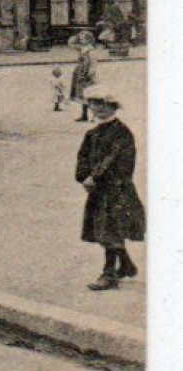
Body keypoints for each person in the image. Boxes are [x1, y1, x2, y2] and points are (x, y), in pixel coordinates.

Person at [76, 87, 145, 291]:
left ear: (111, 106)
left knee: (110, 229)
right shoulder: (93, 133)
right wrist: (84, 177)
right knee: (104, 229)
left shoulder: (122, 133)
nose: (96, 108)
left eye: (100, 104)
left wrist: (95, 177)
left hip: (116, 189)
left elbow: (115, 160)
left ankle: (109, 274)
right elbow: (83, 156)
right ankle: (125, 264)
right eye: (93, 104)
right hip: (99, 190)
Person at [70, 34, 99, 122]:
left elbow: (93, 63)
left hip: (87, 74)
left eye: (83, 39)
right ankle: (84, 115)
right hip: (81, 73)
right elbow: (71, 43)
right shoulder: (83, 49)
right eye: (81, 39)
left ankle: (95, 116)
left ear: (89, 40)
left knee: (90, 95)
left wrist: (90, 73)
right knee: (83, 95)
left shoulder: (91, 50)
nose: (81, 40)